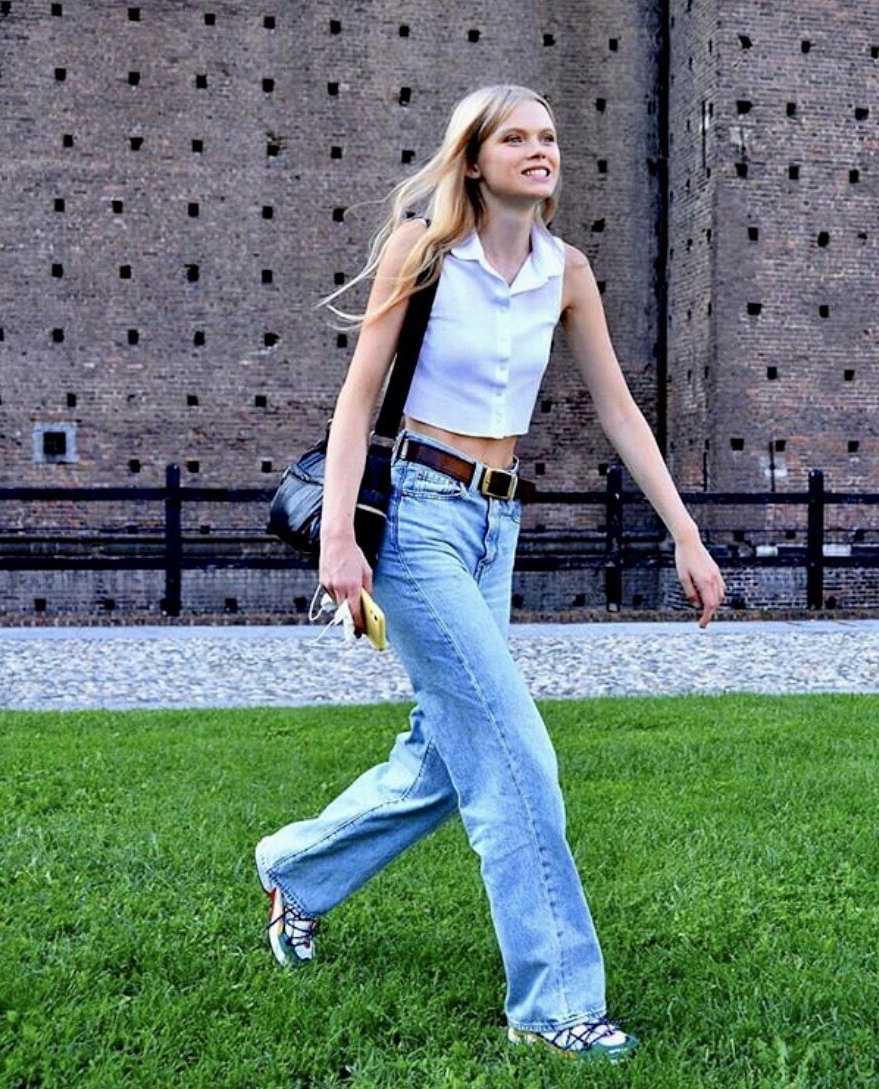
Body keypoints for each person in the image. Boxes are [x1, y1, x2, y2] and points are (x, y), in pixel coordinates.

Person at [255, 84, 725, 1063]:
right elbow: (356, 403)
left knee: (445, 753)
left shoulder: (567, 272)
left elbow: (618, 409)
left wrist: (685, 533)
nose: (538, 149)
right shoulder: (422, 252)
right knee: (515, 756)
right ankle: (554, 1005)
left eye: (547, 136)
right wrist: (338, 537)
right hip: (417, 517)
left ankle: (294, 868)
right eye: (515, 137)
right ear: (473, 158)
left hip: (496, 522)